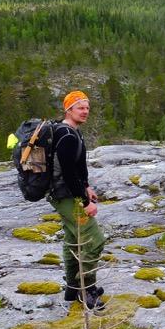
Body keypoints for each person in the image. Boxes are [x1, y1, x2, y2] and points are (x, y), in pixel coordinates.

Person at [49, 90, 106, 310]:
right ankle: (87, 289)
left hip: (65, 193)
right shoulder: (66, 136)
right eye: (80, 107)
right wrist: (86, 202)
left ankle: (72, 287)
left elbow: (78, 167)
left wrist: (87, 187)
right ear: (68, 109)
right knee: (95, 240)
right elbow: (69, 174)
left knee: (73, 238)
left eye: (87, 107)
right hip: (64, 195)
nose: (85, 111)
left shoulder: (73, 133)